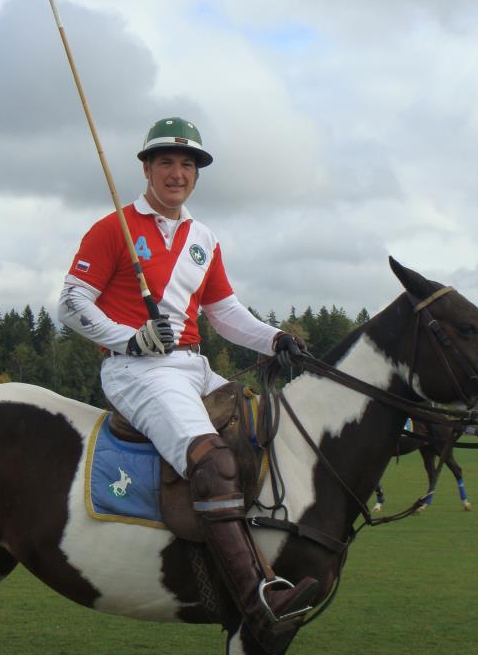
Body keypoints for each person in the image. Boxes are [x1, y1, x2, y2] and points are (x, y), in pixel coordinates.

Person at [58, 116, 318, 650]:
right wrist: (130, 339)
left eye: (187, 165)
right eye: (166, 163)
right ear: (147, 169)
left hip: (194, 367)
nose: (177, 173)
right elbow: (70, 302)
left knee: (265, 433)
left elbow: (224, 312)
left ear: (197, 174)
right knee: (213, 461)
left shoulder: (204, 239)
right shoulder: (114, 228)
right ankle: (254, 596)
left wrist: (274, 339)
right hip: (137, 370)